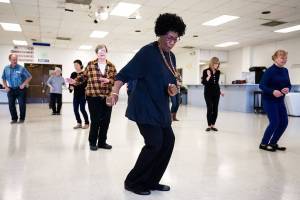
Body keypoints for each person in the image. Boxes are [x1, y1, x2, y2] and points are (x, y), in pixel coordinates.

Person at [109, 13, 186, 195]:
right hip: (144, 107)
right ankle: (133, 182)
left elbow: (171, 82)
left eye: (176, 38)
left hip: (161, 107)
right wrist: (114, 91)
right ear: (160, 34)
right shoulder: (147, 53)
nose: (172, 42)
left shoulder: (171, 57)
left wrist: (173, 89)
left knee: (169, 141)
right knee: (155, 143)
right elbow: (123, 74)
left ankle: (152, 180)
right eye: (169, 37)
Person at [67, 44, 117, 151]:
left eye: (103, 50)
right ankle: (93, 142)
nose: (101, 52)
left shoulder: (111, 66)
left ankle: (102, 142)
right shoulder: (90, 65)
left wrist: (109, 81)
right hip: (93, 96)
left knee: (106, 121)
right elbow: (83, 77)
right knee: (95, 120)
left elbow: (115, 80)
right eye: (99, 51)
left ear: (106, 52)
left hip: (107, 97)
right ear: (97, 53)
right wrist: (75, 81)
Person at [259, 50, 291, 152]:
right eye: (282, 58)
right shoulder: (270, 71)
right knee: (275, 121)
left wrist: (288, 89)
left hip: (280, 100)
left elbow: (289, 84)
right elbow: (261, 85)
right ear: (276, 58)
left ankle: (273, 143)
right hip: (269, 100)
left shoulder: (285, 70)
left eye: (285, 58)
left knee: (284, 122)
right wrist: (272, 91)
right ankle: (263, 143)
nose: (284, 60)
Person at [1, 53, 32, 124]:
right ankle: (14, 118)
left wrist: (24, 84)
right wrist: (6, 86)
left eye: (16, 59)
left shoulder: (21, 68)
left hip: (20, 89)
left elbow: (29, 76)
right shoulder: (6, 68)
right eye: (13, 60)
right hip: (11, 89)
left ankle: (22, 119)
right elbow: (3, 78)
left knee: (21, 104)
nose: (15, 61)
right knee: (11, 105)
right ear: (10, 60)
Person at [201, 57, 224, 132]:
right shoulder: (205, 71)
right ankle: (209, 125)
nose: (216, 65)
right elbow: (204, 83)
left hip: (216, 93)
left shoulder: (218, 72)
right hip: (208, 93)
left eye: (218, 64)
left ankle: (213, 125)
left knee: (215, 109)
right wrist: (209, 76)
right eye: (215, 63)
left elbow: (216, 83)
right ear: (212, 63)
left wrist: (220, 91)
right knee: (210, 108)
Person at [69, 60, 89, 129]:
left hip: (83, 94)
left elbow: (87, 83)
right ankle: (79, 123)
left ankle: (87, 123)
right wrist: (71, 87)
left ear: (80, 65)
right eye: (74, 65)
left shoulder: (84, 73)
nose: (75, 66)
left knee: (82, 109)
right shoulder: (73, 74)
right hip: (76, 94)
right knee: (75, 109)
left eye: (77, 65)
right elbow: (71, 83)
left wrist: (87, 88)